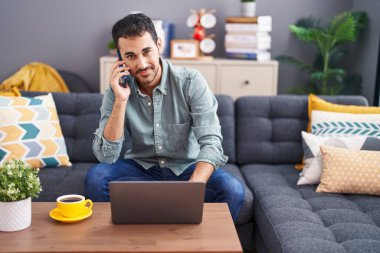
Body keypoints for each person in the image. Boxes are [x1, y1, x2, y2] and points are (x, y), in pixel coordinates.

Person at [85, 13, 244, 222]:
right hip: (142, 169)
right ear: (120, 58)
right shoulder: (116, 91)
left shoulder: (190, 82)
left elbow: (212, 143)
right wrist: (120, 100)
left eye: (146, 51)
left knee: (232, 189)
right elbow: (106, 157)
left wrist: (192, 190)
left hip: (187, 168)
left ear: (159, 44)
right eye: (131, 56)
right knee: (96, 178)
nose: (141, 64)